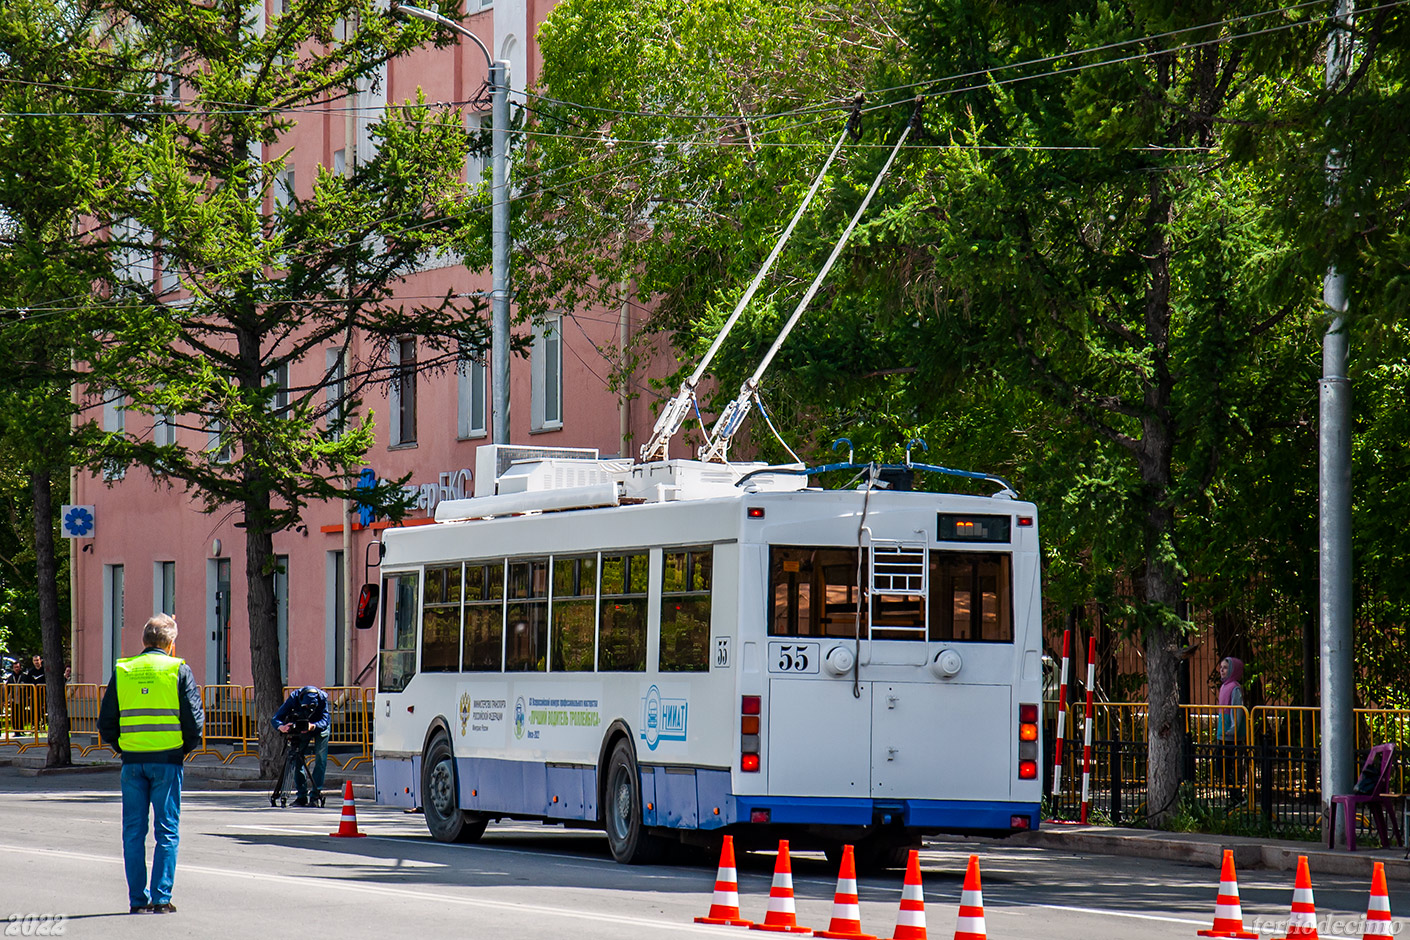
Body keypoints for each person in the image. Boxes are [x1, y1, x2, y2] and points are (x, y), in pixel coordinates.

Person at [97, 614, 204, 915]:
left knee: (133, 831)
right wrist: (182, 750)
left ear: (144, 641)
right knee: (166, 831)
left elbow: (106, 722)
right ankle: (161, 897)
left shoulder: (124, 669)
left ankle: (137, 900)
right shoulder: (178, 669)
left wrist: (123, 747)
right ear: (171, 644)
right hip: (167, 761)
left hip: (132, 762)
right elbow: (194, 720)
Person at [270, 685, 331, 808]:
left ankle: (315, 794)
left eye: (311, 707)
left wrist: (313, 726)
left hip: (319, 728)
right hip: (302, 730)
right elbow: (276, 718)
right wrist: (281, 726)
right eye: (306, 707)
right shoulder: (294, 698)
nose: (309, 709)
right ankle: (301, 796)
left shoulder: (322, 698)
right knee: (297, 758)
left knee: (320, 759)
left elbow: (325, 720)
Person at [1215, 656, 1247, 807]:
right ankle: (1235, 796)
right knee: (1222, 765)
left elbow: (1237, 710)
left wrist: (1233, 727)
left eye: (1225, 668)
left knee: (1226, 766)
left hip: (1230, 733)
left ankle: (1237, 797)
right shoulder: (1224, 686)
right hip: (1223, 731)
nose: (1221, 670)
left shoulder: (1234, 687)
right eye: (1221, 667)